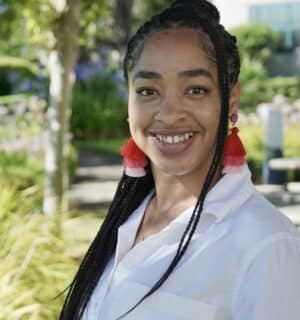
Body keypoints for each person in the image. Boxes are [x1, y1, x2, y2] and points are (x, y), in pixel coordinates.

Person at [60, 1, 300, 319]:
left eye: (195, 90)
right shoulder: (128, 219)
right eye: (148, 91)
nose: (169, 114)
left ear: (232, 99)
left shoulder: (266, 243)